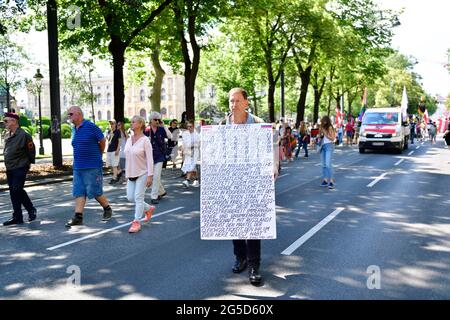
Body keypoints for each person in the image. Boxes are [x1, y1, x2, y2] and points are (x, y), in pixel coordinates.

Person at [225, 87, 279, 286]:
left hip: (254, 179)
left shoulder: (258, 124)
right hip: (231, 180)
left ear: (246, 103)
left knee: (252, 223)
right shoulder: (223, 125)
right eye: (231, 101)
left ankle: (254, 265)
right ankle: (240, 257)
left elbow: (273, 144)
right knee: (235, 222)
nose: (234, 104)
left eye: (238, 101)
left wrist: (274, 164)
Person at [65, 106, 113, 227]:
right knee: (79, 191)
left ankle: (107, 208)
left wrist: (99, 154)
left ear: (79, 114)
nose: (68, 116)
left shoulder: (91, 126)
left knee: (95, 191)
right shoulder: (74, 129)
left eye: (70, 114)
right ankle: (78, 217)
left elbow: (102, 141)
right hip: (78, 167)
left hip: (92, 166)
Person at [2, 112, 37, 226]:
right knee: (14, 191)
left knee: (16, 189)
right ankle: (17, 216)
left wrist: (28, 164)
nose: (4, 123)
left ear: (14, 121)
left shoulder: (24, 135)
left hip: (20, 166)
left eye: (6, 121)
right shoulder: (7, 134)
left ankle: (31, 209)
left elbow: (31, 150)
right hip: (10, 167)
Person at [125, 116, 155, 233]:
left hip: (143, 173)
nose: (131, 123)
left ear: (140, 124)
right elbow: (128, 157)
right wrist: (125, 172)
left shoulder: (145, 140)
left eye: (133, 122)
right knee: (130, 198)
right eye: (130, 122)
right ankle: (148, 208)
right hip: (131, 174)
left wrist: (150, 175)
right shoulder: (128, 139)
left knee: (138, 197)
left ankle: (136, 222)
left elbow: (150, 159)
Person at [148, 111, 168, 204]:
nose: (157, 121)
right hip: (149, 157)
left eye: (158, 119)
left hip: (159, 156)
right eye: (155, 119)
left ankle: (154, 196)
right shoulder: (146, 131)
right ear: (150, 120)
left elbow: (170, 136)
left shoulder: (161, 129)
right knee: (152, 177)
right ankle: (162, 191)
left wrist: (164, 126)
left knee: (156, 176)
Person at [180, 120, 200, 187]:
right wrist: (182, 151)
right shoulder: (185, 133)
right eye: (188, 126)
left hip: (195, 152)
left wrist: (193, 146)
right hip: (187, 152)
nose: (189, 128)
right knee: (191, 166)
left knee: (191, 165)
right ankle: (196, 180)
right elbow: (183, 143)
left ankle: (187, 180)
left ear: (193, 126)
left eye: (190, 126)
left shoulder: (197, 134)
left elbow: (198, 143)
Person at [319, 115, 337, 189]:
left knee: (328, 164)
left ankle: (331, 181)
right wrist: (320, 134)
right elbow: (320, 137)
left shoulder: (329, 128)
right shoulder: (322, 128)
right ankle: (325, 180)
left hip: (329, 146)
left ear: (327, 121)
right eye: (322, 121)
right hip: (322, 146)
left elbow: (333, 138)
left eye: (324, 121)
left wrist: (325, 134)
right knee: (323, 165)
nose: (323, 123)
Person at [106, 119, 121, 184]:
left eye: (112, 123)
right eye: (110, 124)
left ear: (115, 124)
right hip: (109, 150)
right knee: (110, 164)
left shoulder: (117, 131)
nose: (111, 125)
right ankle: (119, 172)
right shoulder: (109, 131)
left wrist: (117, 149)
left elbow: (119, 141)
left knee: (114, 165)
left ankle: (114, 178)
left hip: (114, 150)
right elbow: (108, 140)